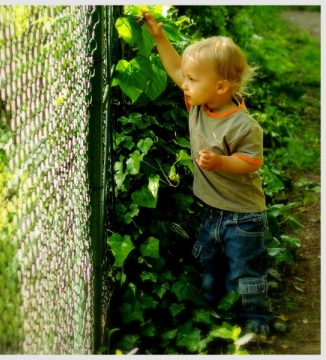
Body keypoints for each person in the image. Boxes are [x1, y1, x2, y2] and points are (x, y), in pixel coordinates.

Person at [142, 10, 273, 337]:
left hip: (244, 216)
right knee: (208, 263)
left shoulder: (244, 126)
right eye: (186, 79)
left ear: (220, 86)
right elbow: (174, 68)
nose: (183, 85)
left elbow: (251, 163)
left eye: (192, 80)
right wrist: (159, 36)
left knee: (245, 272)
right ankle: (214, 313)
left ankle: (254, 321)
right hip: (209, 208)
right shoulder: (199, 103)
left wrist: (221, 162)